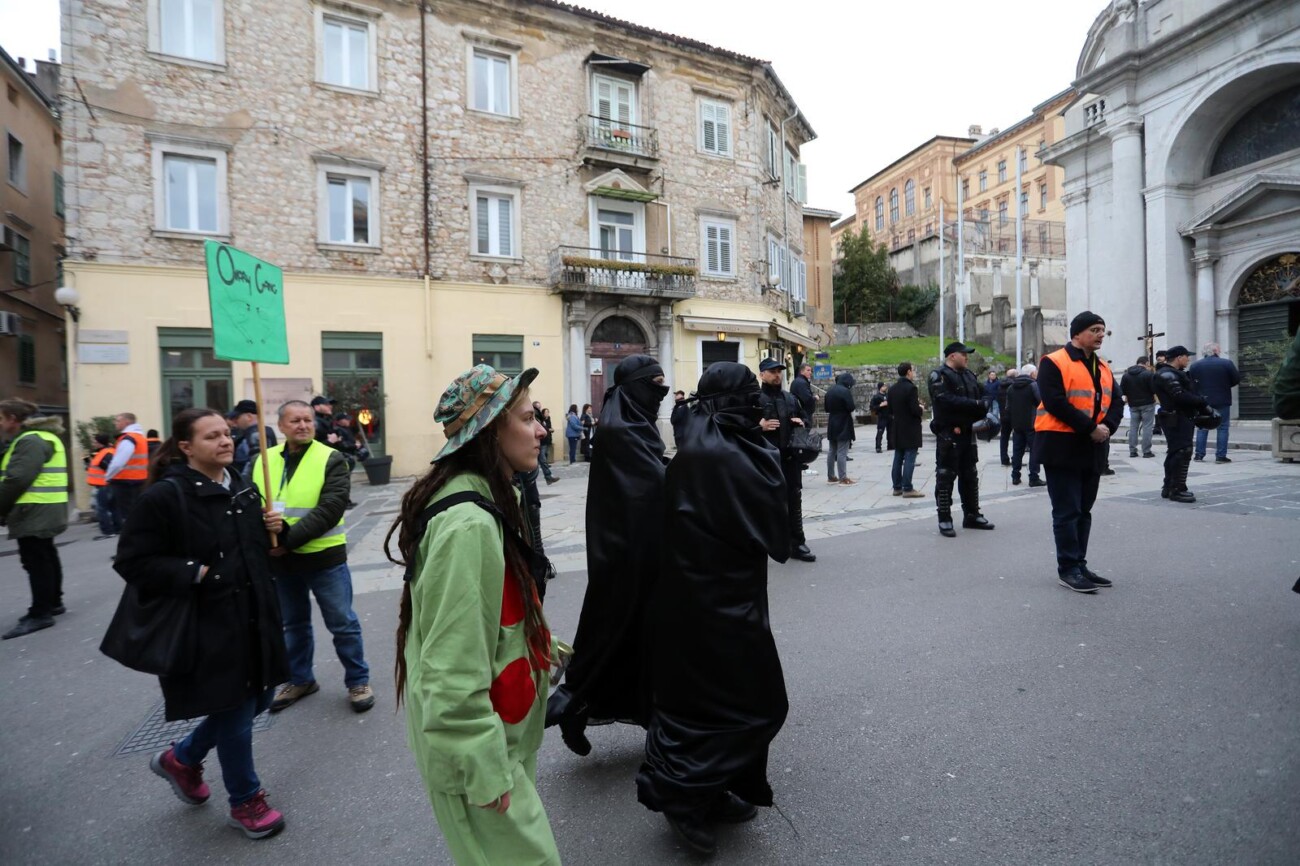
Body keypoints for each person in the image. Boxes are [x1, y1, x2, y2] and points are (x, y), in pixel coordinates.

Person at [388, 363, 560, 866]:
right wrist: (481, 769)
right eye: (528, 418)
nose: (541, 429)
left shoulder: (488, 497)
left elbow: (493, 617)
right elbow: (449, 664)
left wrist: (545, 646)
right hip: (478, 751)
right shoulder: (468, 524)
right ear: (490, 431)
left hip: (498, 733)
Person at [636, 362, 790, 856]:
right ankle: (681, 795)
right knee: (749, 702)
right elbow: (776, 535)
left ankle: (709, 786)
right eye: (749, 395)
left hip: (711, 599)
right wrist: (781, 462)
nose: (757, 403)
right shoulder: (720, 455)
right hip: (714, 605)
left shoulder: (708, 444)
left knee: (712, 701)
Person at [114, 407, 289, 839]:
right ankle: (245, 800)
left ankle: (182, 758)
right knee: (234, 710)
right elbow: (133, 561)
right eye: (212, 437)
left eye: (227, 434)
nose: (225, 441)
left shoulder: (242, 488)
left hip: (256, 616)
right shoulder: (166, 497)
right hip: (210, 624)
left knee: (260, 700)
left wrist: (275, 530)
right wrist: (197, 572)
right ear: (187, 447)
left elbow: (256, 551)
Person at [549, 355, 668, 756]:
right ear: (636, 386)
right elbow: (651, 484)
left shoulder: (632, 422)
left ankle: (653, 722)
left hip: (637, 549)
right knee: (612, 635)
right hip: (625, 555)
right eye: (656, 385)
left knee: (639, 641)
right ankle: (573, 703)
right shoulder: (621, 428)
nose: (661, 394)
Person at [253, 401, 374, 714]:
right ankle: (301, 679)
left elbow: (331, 508)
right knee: (293, 625)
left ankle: (358, 681)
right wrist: (264, 539)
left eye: (307, 420)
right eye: (295, 420)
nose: (303, 425)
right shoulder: (263, 461)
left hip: (323, 559)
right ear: (281, 426)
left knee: (343, 624)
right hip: (281, 562)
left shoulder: (331, 458)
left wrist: (287, 538)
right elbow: (251, 502)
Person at [1035, 312, 1123, 593]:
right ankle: (1068, 568)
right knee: (1067, 511)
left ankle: (1080, 564)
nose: (1100, 335)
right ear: (1077, 334)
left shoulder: (1103, 367)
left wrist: (1107, 427)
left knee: (1084, 510)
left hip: (1093, 447)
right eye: (1095, 330)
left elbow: (1117, 403)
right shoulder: (1054, 361)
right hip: (1061, 445)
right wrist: (1090, 428)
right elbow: (1055, 402)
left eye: (1103, 330)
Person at [0, 399, 69, 640]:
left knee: (36, 561)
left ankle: (40, 613)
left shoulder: (30, 440)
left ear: (13, 419)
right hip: (43, 507)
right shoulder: (41, 437)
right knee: (46, 555)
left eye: (1, 418)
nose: (0, 423)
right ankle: (53, 602)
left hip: (34, 509)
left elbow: (17, 479)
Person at [927, 343, 995, 538]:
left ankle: (972, 514)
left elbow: (986, 395)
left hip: (968, 431)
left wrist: (980, 405)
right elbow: (945, 401)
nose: (967, 358)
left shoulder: (968, 375)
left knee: (970, 475)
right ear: (952, 356)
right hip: (949, 433)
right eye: (964, 355)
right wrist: (975, 405)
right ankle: (945, 518)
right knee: (946, 476)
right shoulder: (939, 375)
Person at [758, 357, 815, 562]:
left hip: (790, 459)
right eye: (772, 371)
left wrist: (802, 422)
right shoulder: (754, 399)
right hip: (765, 459)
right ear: (762, 374)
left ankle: (797, 542)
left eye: (779, 371)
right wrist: (759, 426)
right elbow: (742, 426)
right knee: (766, 502)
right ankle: (765, 543)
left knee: (794, 499)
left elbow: (805, 418)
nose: (777, 375)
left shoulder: (790, 398)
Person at [1153, 346, 1210, 503]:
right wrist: (1202, 402)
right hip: (1176, 417)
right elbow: (1179, 396)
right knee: (1182, 451)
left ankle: (1170, 486)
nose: (1188, 359)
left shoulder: (1171, 373)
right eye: (1186, 356)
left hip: (1180, 416)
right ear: (1179, 357)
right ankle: (1177, 489)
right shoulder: (1167, 374)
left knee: (1176, 451)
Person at [1189, 343, 1241, 463]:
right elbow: (1236, 379)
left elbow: (1192, 383)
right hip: (1222, 399)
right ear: (1216, 351)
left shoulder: (1195, 365)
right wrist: (1224, 386)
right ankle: (1220, 456)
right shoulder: (1226, 363)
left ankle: (1199, 455)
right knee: (1222, 427)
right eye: (1219, 349)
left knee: (1202, 426)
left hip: (1203, 400)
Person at [104, 412, 150, 530]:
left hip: (125, 481)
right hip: (138, 480)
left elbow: (118, 462)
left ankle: (134, 541)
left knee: (128, 516)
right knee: (137, 514)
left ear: (127, 422)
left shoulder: (128, 438)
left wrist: (108, 476)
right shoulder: (139, 437)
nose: (115, 423)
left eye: (118, 421)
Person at [887, 363, 926, 498]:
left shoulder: (892, 389)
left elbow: (890, 409)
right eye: (912, 371)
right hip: (910, 428)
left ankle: (897, 487)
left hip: (897, 427)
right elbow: (914, 410)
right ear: (908, 372)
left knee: (898, 457)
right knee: (910, 457)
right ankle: (907, 487)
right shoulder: (911, 388)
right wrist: (921, 408)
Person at [1006, 363, 1043, 487]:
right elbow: (1041, 402)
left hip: (1017, 424)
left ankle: (1015, 476)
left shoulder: (1011, 387)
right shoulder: (1033, 385)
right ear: (1032, 373)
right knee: (1034, 451)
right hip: (1032, 424)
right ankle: (1034, 477)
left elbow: (1008, 407)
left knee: (1017, 451)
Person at [1120, 356, 1158, 459]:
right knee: (1147, 427)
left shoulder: (1126, 375)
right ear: (1146, 363)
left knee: (1133, 427)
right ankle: (1146, 451)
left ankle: (1132, 451)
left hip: (1133, 404)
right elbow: (1154, 389)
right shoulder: (1148, 374)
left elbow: (1122, 390)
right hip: (1148, 404)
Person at [228, 400, 277, 479]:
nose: (235, 422)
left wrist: (242, 482)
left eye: (237, 417)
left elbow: (256, 462)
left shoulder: (255, 434)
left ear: (249, 417)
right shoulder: (260, 432)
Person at [824, 372, 856, 484]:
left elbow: (826, 408)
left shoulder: (829, 391)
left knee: (832, 450)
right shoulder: (845, 391)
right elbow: (851, 407)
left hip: (832, 421)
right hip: (843, 422)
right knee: (842, 451)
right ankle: (843, 477)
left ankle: (831, 476)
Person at [87, 432, 120, 539]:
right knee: (113, 508)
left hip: (104, 486)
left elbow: (110, 469)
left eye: (95, 441)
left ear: (100, 443)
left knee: (102, 509)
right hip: (109, 485)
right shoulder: (105, 452)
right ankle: (117, 529)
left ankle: (108, 531)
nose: (93, 443)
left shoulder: (105, 454)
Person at [531, 402, 556, 484]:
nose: (539, 408)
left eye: (540, 407)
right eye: (538, 407)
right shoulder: (535, 417)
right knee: (538, 461)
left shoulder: (542, 418)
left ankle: (548, 477)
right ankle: (533, 479)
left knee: (542, 460)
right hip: (537, 442)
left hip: (542, 442)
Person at [996, 369, 1017, 465]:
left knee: (1004, 437)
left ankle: (1004, 458)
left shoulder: (1000, 386)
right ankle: (1015, 458)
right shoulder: (1015, 386)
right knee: (1017, 437)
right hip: (1014, 415)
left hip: (1003, 415)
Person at [868, 382, 891, 453]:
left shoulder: (888, 395)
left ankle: (891, 445)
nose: (885, 387)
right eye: (884, 386)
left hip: (890, 416)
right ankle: (878, 447)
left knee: (891, 432)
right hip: (882, 416)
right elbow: (872, 407)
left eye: (885, 386)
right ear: (880, 387)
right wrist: (880, 405)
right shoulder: (876, 397)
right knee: (880, 432)